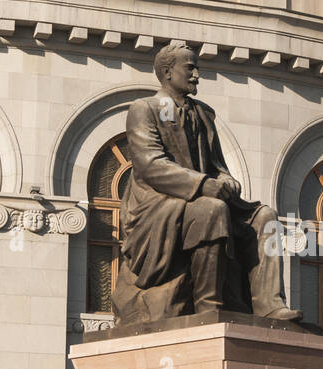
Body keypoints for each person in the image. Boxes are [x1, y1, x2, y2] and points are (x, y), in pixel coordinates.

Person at [112, 39, 301, 324]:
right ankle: (209, 307)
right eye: (190, 69)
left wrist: (226, 179)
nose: (197, 75)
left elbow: (216, 164)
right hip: (157, 207)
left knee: (265, 217)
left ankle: (270, 305)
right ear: (166, 72)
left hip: (200, 197)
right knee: (210, 211)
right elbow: (151, 165)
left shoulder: (203, 113)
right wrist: (202, 185)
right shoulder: (145, 108)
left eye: (197, 69)